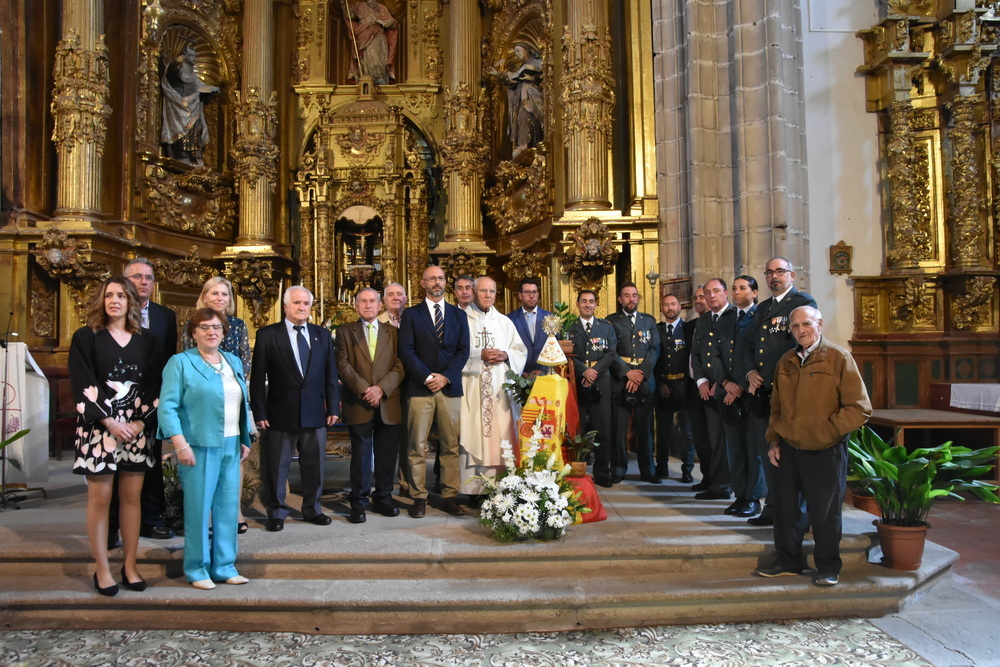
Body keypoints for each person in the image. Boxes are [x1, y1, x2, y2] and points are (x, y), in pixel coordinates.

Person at [754, 306, 872, 587]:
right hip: (790, 448)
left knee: (825, 512)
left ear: (820, 324)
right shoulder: (786, 361)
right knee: (785, 511)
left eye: (806, 324)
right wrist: (774, 439)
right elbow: (777, 407)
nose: (800, 330)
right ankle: (788, 561)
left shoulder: (838, 357)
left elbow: (860, 408)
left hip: (825, 449)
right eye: (794, 326)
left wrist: (827, 431)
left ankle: (828, 566)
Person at [69, 277, 161, 596]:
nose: (114, 301)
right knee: (101, 497)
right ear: (101, 300)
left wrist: (139, 423)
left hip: (136, 429)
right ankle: (102, 569)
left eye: (121, 295)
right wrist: (109, 421)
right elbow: (82, 381)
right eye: (108, 295)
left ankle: (131, 565)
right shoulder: (86, 337)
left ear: (131, 302)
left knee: (132, 498)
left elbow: (156, 385)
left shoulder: (147, 341)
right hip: (99, 429)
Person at [158, 308, 253, 590]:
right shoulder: (180, 363)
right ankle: (197, 568)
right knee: (199, 509)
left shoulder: (232, 360)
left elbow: (241, 401)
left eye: (217, 327)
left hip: (231, 443)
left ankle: (224, 566)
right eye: (204, 327)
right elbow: (168, 407)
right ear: (193, 333)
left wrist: (245, 437)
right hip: (197, 445)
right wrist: (179, 444)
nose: (212, 332)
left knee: (226, 508)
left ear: (224, 332)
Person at [250, 286, 340, 532]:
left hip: (314, 412)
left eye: (306, 304)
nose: (302, 307)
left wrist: (333, 406)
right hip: (279, 412)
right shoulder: (268, 334)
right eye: (297, 303)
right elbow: (257, 378)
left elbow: (331, 374)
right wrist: (260, 413)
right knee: (277, 466)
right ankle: (276, 512)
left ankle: (312, 509)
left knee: (314, 465)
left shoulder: (322, 335)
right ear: (286, 306)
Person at [742, 257, 817, 527]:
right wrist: (750, 373)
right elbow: (748, 344)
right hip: (761, 390)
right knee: (767, 451)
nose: (774, 276)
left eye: (780, 271)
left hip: (786, 387)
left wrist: (764, 373)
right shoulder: (762, 308)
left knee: (789, 454)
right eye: (770, 272)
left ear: (792, 275)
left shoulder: (801, 303)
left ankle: (795, 512)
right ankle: (772, 508)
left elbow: (793, 343)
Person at [108, 259, 177, 546]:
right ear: (124, 280)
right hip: (117, 401)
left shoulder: (165, 315)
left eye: (149, 277)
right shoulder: (110, 315)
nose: (144, 282)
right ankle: (112, 526)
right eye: (137, 276)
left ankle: (150, 519)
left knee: (150, 459)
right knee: (113, 463)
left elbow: (169, 360)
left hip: (153, 400)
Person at [398, 265, 470, 518]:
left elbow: (463, 350)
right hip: (420, 388)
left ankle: (449, 495)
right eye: (431, 278)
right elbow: (406, 350)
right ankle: (419, 497)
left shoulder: (458, 314)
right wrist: (428, 376)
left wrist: (445, 377)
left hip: (450, 388)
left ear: (445, 282)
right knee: (416, 445)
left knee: (451, 445)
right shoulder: (411, 315)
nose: (437, 282)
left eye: (440, 278)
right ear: (422, 283)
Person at [181, 276, 252, 533]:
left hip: (233, 397)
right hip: (204, 400)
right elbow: (188, 360)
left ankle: (235, 511)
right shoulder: (195, 323)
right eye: (214, 293)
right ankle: (208, 515)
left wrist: (232, 385)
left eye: (224, 294)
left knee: (235, 459)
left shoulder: (238, 325)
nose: (220, 298)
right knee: (206, 458)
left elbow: (245, 361)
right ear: (205, 296)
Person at [336, 288, 405, 524]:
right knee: (361, 456)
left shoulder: (393, 332)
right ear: (356, 306)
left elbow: (400, 364)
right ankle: (359, 501)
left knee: (387, 456)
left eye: (372, 301)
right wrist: (366, 390)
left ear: (380, 305)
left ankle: (384, 497)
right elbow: (343, 365)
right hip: (360, 402)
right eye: (363, 301)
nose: (368, 305)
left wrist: (381, 389)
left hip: (388, 402)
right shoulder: (345, 331)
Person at [459, 277, 527, 498]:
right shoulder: (462, 320)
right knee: (473, 432)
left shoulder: (504, 322)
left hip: (499, 391)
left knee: (500, 435)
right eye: (483, 291)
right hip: (471, 387)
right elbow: (454, 353)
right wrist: (480, 355)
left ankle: (498, 487)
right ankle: (471, 490)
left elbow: (520, 351)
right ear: (474, 292)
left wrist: (507, 354)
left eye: (492, 291)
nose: (488, 295)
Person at [607, 283, 660, 483]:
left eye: (634, 295)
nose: (631, 299)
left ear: (638, 298)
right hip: (621, 380)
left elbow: (654, 349)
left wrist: (641, 374)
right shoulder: (611, 321)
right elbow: (610, 351)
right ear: (620, 299)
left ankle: (648, 469)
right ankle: (619, 468)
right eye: (627, 295)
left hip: (644, 382)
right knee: (619, 429)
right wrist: (628, 373)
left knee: (645, 428)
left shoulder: (649, 321)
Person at [689, 278, 734, 502]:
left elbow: (736, 355)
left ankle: (739, 488)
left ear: (726, 293)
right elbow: (697, 354)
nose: (711, 296)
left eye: (716, 291)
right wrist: (702, 381)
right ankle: (719, 484)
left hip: (731, 390)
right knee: (715, 440)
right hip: (709, 389)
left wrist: (723, 380)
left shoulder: (735, 316)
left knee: (732, 442)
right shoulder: (704, 321)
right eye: (707, 293)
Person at [568, 290, 618, 487]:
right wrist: (584, 371)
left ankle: (603, 471)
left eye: (591, 301)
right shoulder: (569, 327)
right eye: (584, 301)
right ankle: (575, 468)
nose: (587, 305)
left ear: (596, 304)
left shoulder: (606, 327)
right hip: (578, 383)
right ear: (577, 304)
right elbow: (566, 354)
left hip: (601, 382)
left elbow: (611, 353)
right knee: (576, 428)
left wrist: (593, 372)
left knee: (602, 429)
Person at [722, 275, 762, 518]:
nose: (737, 292)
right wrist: (725, 383)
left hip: (750, 392)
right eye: (734, 288)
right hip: (728, 393)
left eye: (743, 288)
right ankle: (740, 495)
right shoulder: (727, 319)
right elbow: (716, 353)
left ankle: (754, 498)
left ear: (754, 293)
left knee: (753, 449)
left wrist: (741, 384)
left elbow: (757, 354)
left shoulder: (760, 317)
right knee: (735, 449)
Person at [654, 293, 696, 482]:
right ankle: (661, 467)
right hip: (663, 385)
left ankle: (687, 469)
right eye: (666, 305)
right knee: (663, 431)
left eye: (673, 304)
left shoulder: (689, 329)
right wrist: (660, 382)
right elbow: (653, 359)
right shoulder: (657, 330)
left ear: (680, 307)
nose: (670, 308)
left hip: (684, 385)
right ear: (661, 308)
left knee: (687, 433)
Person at [160, 43, 219, 165]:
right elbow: (169, 76)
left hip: (193, 107)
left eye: (195, 56)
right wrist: (176, 61)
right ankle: (180, 154)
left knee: (195, 130)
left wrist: (212, 88)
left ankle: (193, 155)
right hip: (179, 106)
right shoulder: (177, 71)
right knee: (180, 131)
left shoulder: (193, 75)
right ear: (184, 56)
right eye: (191, 55)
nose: (194, 58)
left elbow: (198, 86)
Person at [491, 43, 544, 158]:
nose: (517, 54)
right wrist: (498, 74)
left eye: (519, 51)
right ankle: (522, 145)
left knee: (526, 116)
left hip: (532, 96)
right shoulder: (522, 67)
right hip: (522, 98)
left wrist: (532, 78)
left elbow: (547, 77)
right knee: (520, 119)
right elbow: (512, 80)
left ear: (526, 50)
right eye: (515, 52)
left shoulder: (537, 62)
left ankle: (525, 145)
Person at [344, 0, 399, 85]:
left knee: (377, 56)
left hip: (378, 36)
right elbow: (350, 14)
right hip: (363, 36)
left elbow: (392, 22)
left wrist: (384, 22)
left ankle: (379, 78)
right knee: (366, 57)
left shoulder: (382, 8)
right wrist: (344, 4)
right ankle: (365, 77)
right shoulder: (360, 6)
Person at [507, 277, 552, 376]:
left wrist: (543, 370)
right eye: (527, 292)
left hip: (543, 374)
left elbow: (554, 348)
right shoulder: (509, 320)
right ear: (520, 295)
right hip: (519, 375)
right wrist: (518, 371)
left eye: (534, 292)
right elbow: (507, 348)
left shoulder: (550, 318)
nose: (531, 296)